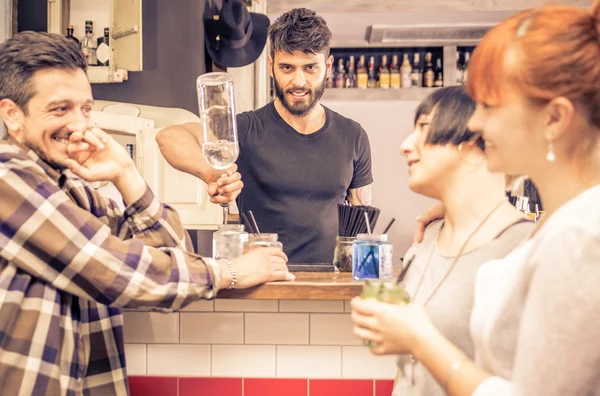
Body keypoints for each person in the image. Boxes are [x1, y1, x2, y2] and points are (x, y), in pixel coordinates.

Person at [0, 31, 294, 395]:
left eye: (86, 109)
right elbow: (112, 270)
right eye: (60, 109)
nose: (80, 125)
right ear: (12, 116)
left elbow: (171, 250)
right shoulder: (7, 180)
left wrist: (127, 174)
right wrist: (230, 271)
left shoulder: (71, 190)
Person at [352, 1, 600, 395]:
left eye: (490, 105)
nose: (477, 124)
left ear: (554, 119)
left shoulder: (582, 236)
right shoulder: (558, 223)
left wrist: (422, 339)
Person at [156, 8, 373, 264]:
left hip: (330, 284)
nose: (299, 81)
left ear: (327, 66)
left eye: (310, 67)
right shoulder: (245, 128)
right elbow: (170, 136)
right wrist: (211, 174)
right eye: (287, 67)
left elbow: (362, 226)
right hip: (262, 283)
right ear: (271, 67)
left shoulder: (353, 135)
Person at [395, 86, 532, 396]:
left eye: (424, 129)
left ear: (473, 145)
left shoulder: (522, 249)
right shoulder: (427, 236)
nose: (405, 146)